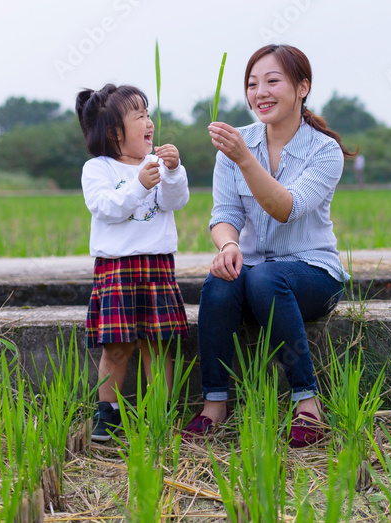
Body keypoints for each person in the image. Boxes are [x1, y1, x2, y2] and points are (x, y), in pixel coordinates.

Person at [184, 44, 352, 447]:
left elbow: (285, 208)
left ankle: (307, 403)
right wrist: (228, 246)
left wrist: (245, 159)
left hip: (312, 273)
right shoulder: (239, 142)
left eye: (272, 81)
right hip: (256, 272)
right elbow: (224, 213)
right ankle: (214, 404)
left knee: (266, 279)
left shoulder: (324, 150)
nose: (260, 92)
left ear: (302, 88)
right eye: (252, 84)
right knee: (220, 283)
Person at [75, 83, 191, 442]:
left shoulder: (155, 165)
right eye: (139, 115)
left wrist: (173, 171)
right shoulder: (98, 169)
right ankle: (108, 411)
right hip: (117, 270)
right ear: (114, 132)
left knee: (157, 344)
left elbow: (175, 201)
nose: (149, 122)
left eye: (148, 114)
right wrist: (139, 185)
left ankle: (159, 412)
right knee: (117, 347)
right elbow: (106, 208)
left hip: (157, 267)